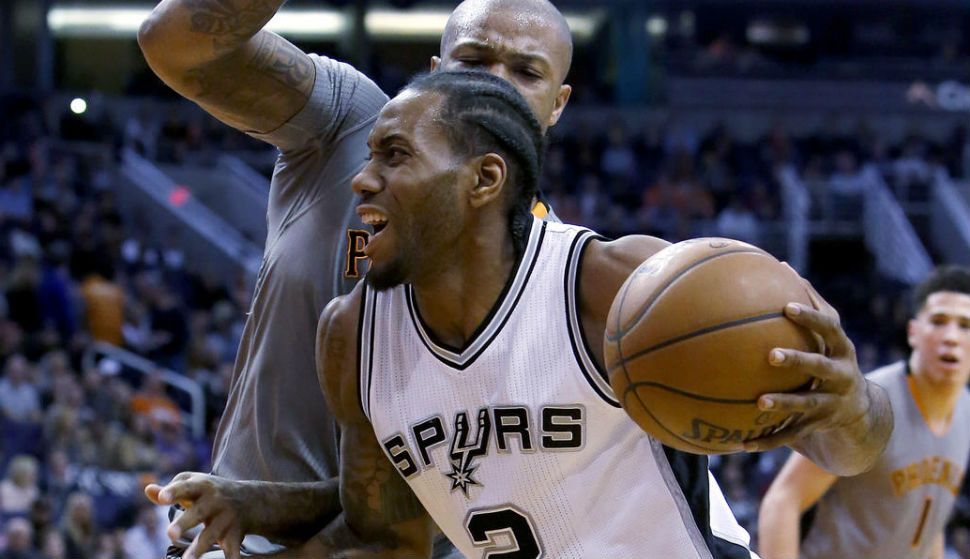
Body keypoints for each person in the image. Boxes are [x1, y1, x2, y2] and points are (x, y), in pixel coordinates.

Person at [300, 71, 891, 557]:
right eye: (370, 155)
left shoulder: (612, 283)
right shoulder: (352, 337)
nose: (362, 179)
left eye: (394, 156)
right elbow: (390, 543)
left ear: (484, 179)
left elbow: (847, 451)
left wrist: (853, 409)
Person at [137, 0, 571, 556]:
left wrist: (265, 504)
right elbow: (176, 44)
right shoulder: (358, 123)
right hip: (229, 540)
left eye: (526, 72)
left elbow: (426, 503)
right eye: (473, 60)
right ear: (435, 71)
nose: (497, 84)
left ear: (557, 104)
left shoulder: (554, 281)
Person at [758, 266, 970, 559]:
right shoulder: (871, 404)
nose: (951, 337)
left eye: (965, 325)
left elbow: (928, 522)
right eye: (938, 321)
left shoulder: (966, 411)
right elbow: (783, 500)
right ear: (913, 332)